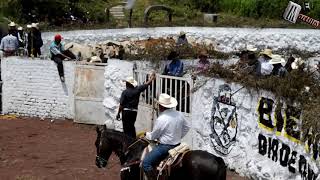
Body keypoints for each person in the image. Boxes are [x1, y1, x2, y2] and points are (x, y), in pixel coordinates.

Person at [142, 93, 190, 180]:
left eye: (158, 105)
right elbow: (187, 127)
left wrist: (146, 134)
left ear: (161, 106)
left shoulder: (162, 118)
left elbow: (153, 136)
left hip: (164, 147)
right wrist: (179, 136)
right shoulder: (179, 114)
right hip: (178, 144)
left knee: (145, 163)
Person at [116, 73, 156, 138]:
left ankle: (128, 142)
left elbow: (121, 105)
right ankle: (133, 140)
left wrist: (118, 113)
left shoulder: (125, 92)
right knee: (131, 126)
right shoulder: (137, 90)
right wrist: (151, 79)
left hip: (126, 112)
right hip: (134, 112)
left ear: (128, 84)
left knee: (126, 128)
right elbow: (146, 84)